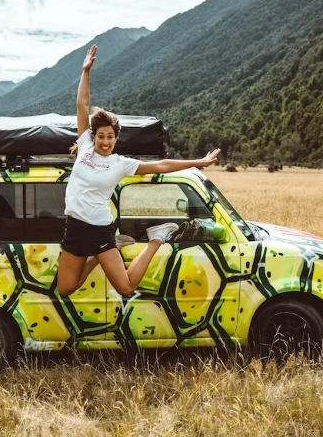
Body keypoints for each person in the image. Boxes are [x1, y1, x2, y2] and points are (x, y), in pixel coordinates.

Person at [56, 45, 221, 297]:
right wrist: (86, 71)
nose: (105, 141)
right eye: (101, 136)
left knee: (125, 287)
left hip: (99, 228)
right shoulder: (86, 145)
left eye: (110, 137)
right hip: (75, 226)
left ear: (116, 138)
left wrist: (197, 162)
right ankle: (100, 258)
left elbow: (161, 166)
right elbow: (82, 104)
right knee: (66, 287)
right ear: (94, 135)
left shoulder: (120, 163)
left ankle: (156, 239)